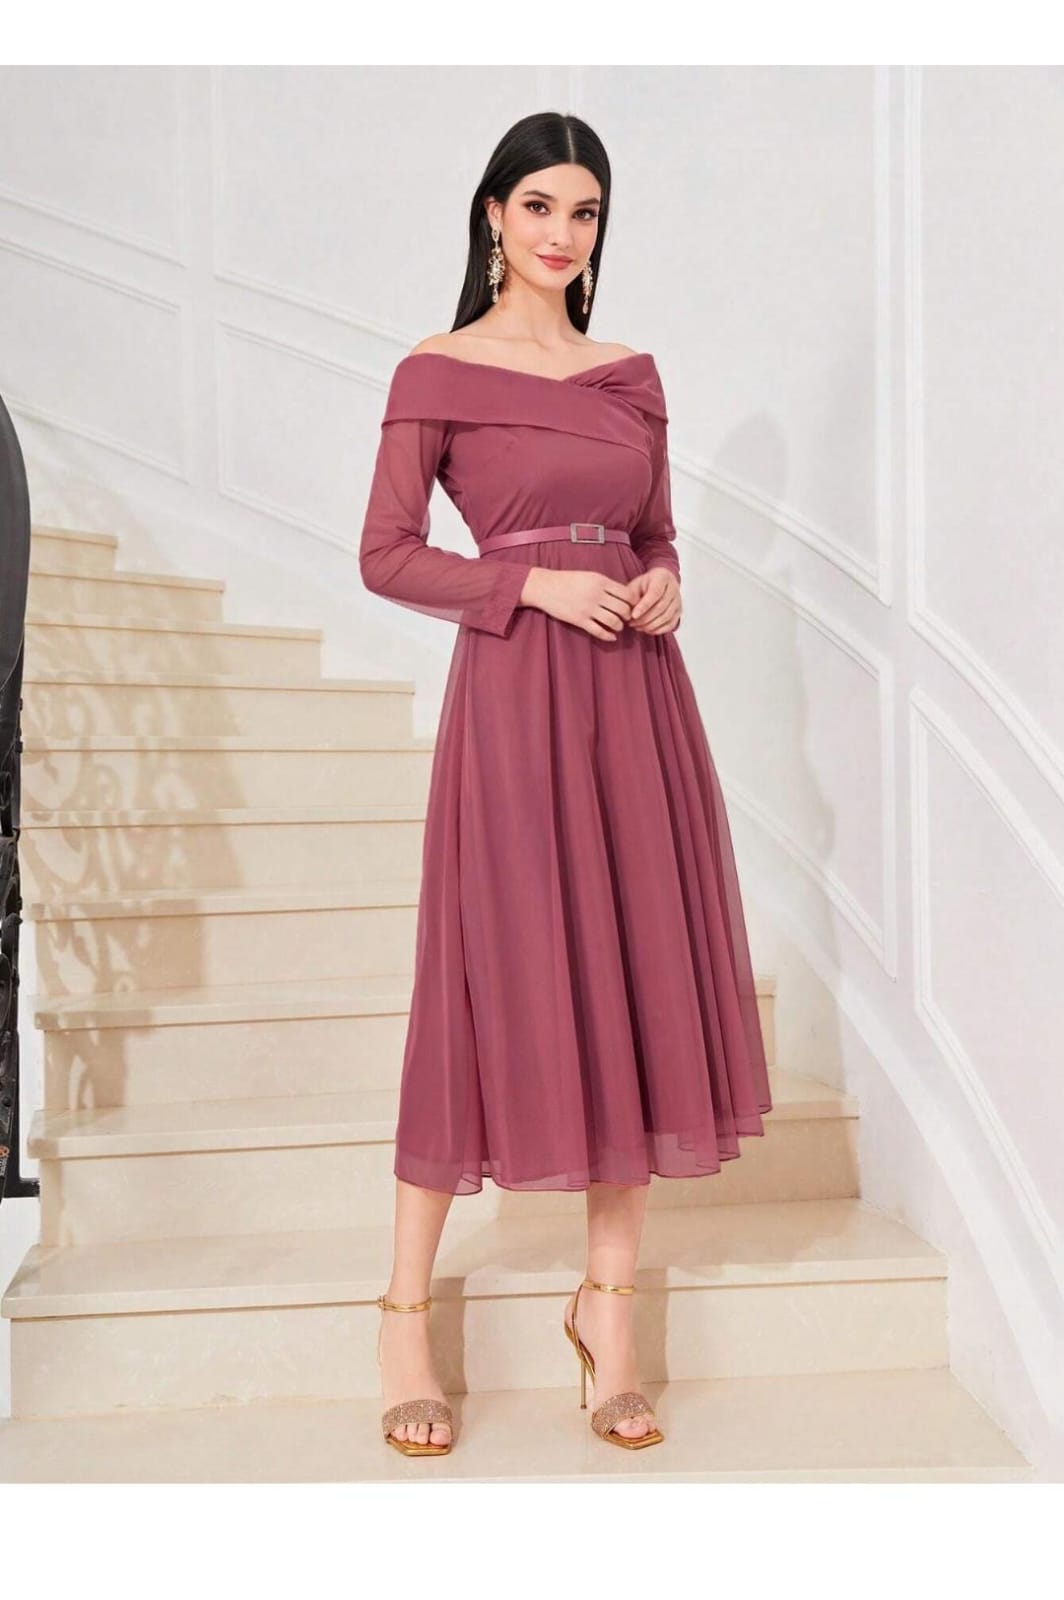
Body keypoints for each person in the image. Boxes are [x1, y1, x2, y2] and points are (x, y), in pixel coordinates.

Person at [359, 111, 771, 1457]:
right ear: (493, 214)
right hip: (518, 699)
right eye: (537, 205)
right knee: (486, 976)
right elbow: (385, 552)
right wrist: (530, 584)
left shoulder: (629, 376)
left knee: (636, 977)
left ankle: (609, 1314)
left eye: (583, 211)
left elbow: (653, 531)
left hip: (636, 701)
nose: (560, 233)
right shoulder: (438, 369)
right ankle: (403, 1315)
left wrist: (664, 582)